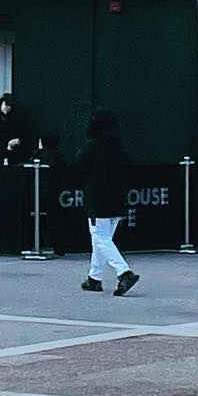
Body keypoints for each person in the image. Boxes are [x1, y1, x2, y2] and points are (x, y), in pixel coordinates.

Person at [75, 108, 139, 296]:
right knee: (102, 240)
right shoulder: (119, 146)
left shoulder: (91, 146)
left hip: (98, 200)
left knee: (100, 238)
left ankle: (124, 272)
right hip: (117, 199)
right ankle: (94, 278)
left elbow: (79, 167)